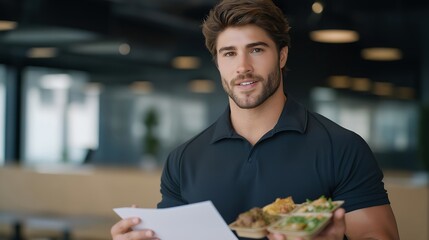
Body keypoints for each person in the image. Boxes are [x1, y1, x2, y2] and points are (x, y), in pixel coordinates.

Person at [111, 0, 400, 239]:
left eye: (257, 50)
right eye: (229, 53)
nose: (243, 67)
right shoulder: (183, 160)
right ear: (218, 63)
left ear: (282, 56)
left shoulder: (342, 148)